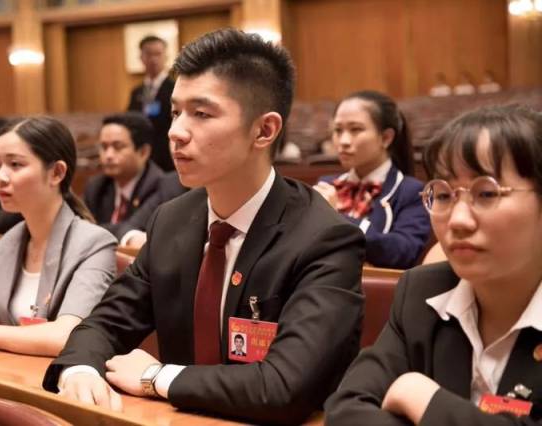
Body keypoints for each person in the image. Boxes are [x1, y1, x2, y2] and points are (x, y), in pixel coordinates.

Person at [43, 28, 365, 425]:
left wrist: (155, 376)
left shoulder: (325, 237)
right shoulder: (172, 219)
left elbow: (284, 387)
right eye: (176, 111)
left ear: (264, 130)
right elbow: (105, 324)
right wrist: (80, 369)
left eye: (201, 113)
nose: (176, 131)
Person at [325, 104, 542, 425]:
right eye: (443, 196)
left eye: (486, 194)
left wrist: (421, 397)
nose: (458, 220)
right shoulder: (422, 292)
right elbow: (346, 409)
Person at [0, 117, 117, 362]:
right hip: (7, 375)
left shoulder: (93, 243)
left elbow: (68, 334)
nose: (0, 177)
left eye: (15, 164)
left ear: (57, 173)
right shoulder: (11, 240)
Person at [314, 90, 431, 269]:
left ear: (385, 138)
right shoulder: (327, 185)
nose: (343, 141)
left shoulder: (412, 191)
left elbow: (403, 252)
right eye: (338, 130)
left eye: (356, 129)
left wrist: (337, 218)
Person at [83, 112, 164, 240]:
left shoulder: (161, 186)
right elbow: (81, 228)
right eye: (104, 147)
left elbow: (132, 228)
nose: (108, 155)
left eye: (117, 147)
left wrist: (92, 231)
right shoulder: (96, 187)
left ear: (143, 152)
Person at [127, 35, 175, 172]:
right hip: (142, 160)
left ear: (166, 57)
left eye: (158, 54)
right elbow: (131, 122)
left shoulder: (175, 88)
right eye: (148, 54)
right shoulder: (137, 92)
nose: (153, 59)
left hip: (168, 159)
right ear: (141, 58)